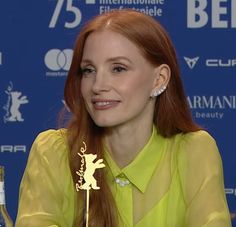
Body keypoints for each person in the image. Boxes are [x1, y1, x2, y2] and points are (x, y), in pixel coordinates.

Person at [15, 9, 232, 227]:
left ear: (159, 79)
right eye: (88, 70)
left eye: (118, 69)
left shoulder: (194, 151)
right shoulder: (54, 152)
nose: (98, 86)